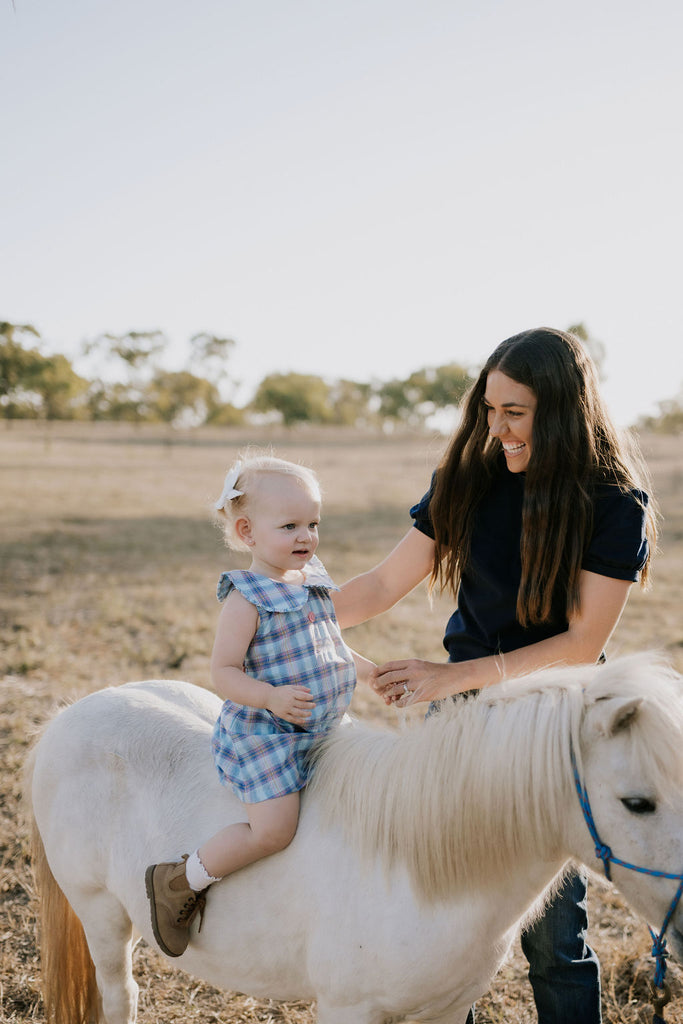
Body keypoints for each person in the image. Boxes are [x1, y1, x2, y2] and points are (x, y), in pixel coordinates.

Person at [332, 327, 657, 1024]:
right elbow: (384, 583)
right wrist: (286, 611)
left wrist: (450, 679)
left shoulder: (614, 502)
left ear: (563, 410)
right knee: (442, 920)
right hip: (462, 727)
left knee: (553, 940)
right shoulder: (467, 482)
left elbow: (581, 642)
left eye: (515, 412)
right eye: (488, 409)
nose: (496, 428)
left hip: (551, 727)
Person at [146, 452, 375, 958]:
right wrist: (269, 697)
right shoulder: (246, 597)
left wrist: (370, 671)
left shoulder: (312, 578)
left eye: (313, 524)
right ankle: (181, 881)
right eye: (290, 525)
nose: (306, 537)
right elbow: (223, 671)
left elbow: (329, 640)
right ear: (247, 532)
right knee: (274, 830)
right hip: (266, 736)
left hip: (320, 728)